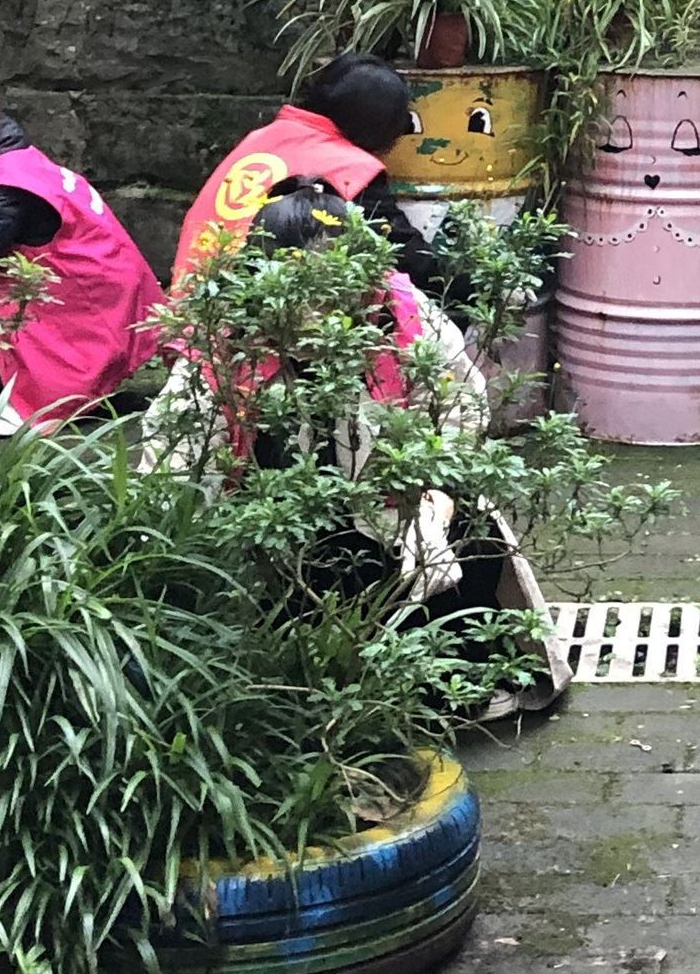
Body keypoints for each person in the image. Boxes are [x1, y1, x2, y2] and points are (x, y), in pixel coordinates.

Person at [148, 178, 565, 715]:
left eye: (333, 281)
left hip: (397, 511)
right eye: (298, 283)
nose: (317, 307)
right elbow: (174, 461)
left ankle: (447, 685)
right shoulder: (224, 345)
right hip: (278, 536)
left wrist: (436, 499)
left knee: (473, 539)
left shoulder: (402, 316)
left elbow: (459, 410)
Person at [0, 73, 165, 428]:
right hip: (107, 282)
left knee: (26, 421)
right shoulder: (6, 153)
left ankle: (70, 393)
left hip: (95, 303)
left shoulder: (3, 188)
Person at [171, 53, 422, 289]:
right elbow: (410, 259)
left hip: (190, 306)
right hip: (253, 312)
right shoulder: (351, 167)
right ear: (380, 127)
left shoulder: (263, 138)